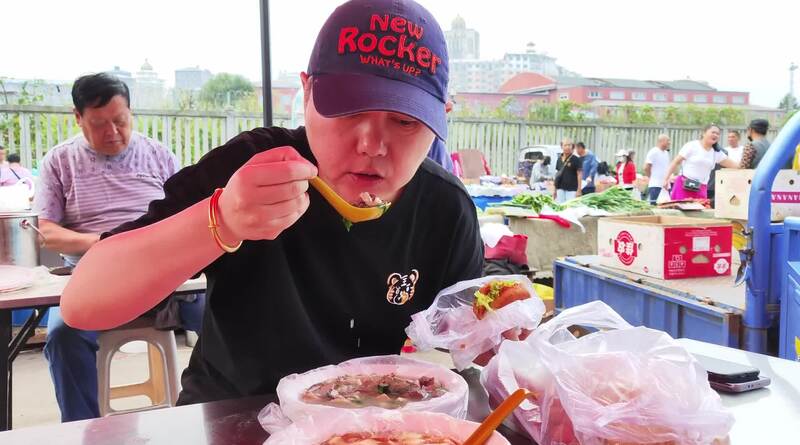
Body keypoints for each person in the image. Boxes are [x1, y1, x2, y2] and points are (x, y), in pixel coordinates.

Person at [61, 0, 483, 406]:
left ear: (441, 116)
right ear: (307, 91)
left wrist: (496, 334)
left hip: (369, 424)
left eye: (404, 120)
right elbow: (83, 302)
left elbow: (470, 340)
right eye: (348, 111)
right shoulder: (251, 168)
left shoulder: (445, 208)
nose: (371, 145)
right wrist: (222, 219)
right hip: (230, 415)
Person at [33, 72, 206, 422]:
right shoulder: (59, 162)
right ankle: (83, 431)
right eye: (99, 124)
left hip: (162, 278)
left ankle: (220, 416)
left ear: (131, 113)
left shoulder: (158, 155)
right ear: (78, 117)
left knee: (228, 311)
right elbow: (45, 232)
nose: (112, 132)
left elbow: (186, 217)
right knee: (64, 336)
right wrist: (104, 243)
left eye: (120, 120)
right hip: (93, 281)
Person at [663, 124, 739, 200]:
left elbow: (736, 166)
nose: (715, 135)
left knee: (700, 207)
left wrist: (746, 160)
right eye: (713, 132)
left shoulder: (717, 153)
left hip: (701, 188)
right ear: (704, 133)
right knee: (681, 206)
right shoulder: (692, 145)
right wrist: (666, 179)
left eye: (718, 134)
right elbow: (676, 162)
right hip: (684, 185)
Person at [644, 134, 671, 204]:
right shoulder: (654, 152)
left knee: (665, 206)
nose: (669, 143)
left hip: (665, 185)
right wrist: (651, 177)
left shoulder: (666, 153)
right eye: (667, 141)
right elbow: (646, 167)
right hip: (655, 185)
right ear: (661, 141)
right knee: (654, 206)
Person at [554, 138, 582, 202]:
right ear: (561, 146)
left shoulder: (576, 159)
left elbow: (579, 174)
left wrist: (579, 190)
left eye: (569, 145)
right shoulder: (559, 159)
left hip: (572, 190)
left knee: (570, 206)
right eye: (565, 145)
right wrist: (554, 189)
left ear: (572, 146)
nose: (567, 147)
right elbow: (557, 175)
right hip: (560, 188)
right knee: (560, 206)